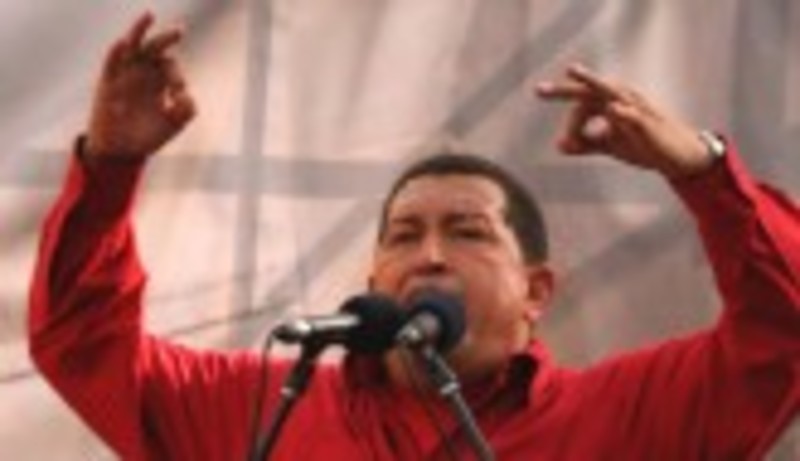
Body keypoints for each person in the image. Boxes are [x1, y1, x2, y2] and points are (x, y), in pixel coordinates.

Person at [29, 12, 798, 461]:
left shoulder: (623, 414)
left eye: (467, 231)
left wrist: (704, 170)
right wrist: (110, 167)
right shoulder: (265, 402)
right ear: (372, 283)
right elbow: (83, 343)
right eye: (402, 235)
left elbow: (786, 332)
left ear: (536, 291)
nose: (428, 255)